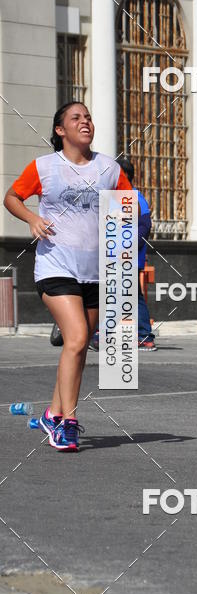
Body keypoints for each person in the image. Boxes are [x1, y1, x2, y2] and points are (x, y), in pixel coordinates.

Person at [3, 102, 132, 451]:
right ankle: (66, 423)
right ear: (61, 130)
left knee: (78, 348)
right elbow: (12, 197)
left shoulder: (108, 168)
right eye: (76, 118)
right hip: (55, 267)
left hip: (95, 273)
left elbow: (126, 209)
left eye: (88, 116)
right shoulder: (45, 167)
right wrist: (31, 219)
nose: (85, 121)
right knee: (75, 339)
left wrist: (121, 250)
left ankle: (52, 412)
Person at [88, 157, 156, 351]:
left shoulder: (134, 196)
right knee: (133, 296)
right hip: (114, 256)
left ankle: (103, 334)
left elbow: (145, 225)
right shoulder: (116, 198)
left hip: (126, 258)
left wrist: (127, 250)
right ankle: (144, 337)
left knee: (116, 295)